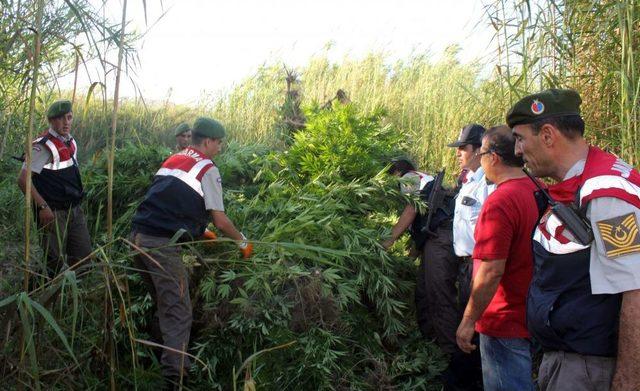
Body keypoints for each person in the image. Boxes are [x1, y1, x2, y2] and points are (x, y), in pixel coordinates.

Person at [508, 88, 640, 391]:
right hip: (573, 361)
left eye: (520, 138)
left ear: (548, 135)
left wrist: (629, 380)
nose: (517, 151)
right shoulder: (581, 185)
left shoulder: (607, 192)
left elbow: (636, 289)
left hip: (589, 370)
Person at [130, 117, 253, 388]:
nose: (220, 148)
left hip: (137, 239)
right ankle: (176, 379)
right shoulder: (208, 168)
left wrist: (198, 232)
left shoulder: (175, 159)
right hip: (161, 246)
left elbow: (171, 203)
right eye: (219, 142)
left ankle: (155, 356)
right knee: (178, 311)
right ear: (207, 141)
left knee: (164, 304)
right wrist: (241, 241)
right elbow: (221, 220)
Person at [456, 125, 538, 390]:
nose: (479, 159)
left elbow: (491, 271)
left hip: (502, 318)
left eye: (481, 153)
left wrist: (469, 321)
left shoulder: (501, 200)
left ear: (494, 157)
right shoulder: (534, 189)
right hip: (529, 309)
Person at [17, 99, 92, 276]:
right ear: (51, 121)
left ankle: (76, 298)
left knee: (84, 258)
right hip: (53, 212)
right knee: (53, 262)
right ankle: (40, 296)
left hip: (74, 209)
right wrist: (43, 207)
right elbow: (22, 180)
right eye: (60, 119)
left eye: (69, 117)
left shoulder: (71, 142)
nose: (66, 122)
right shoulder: (42, 146)